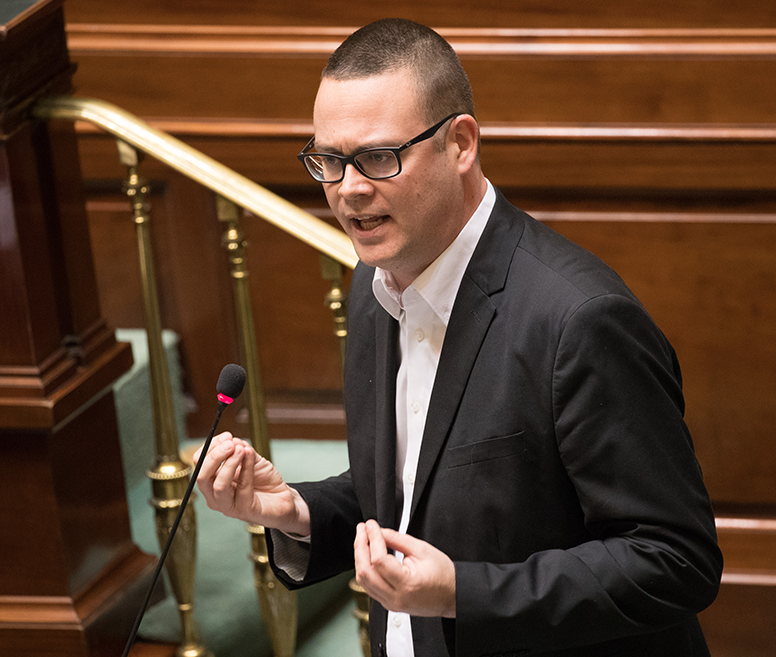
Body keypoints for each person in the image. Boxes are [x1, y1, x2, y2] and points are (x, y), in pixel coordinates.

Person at [195, 18, 723, 657]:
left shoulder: (580, 320)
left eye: (380, 157)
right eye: (329, 160)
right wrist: (295, 512)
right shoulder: (374, 288)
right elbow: (416, 489)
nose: (349, 190)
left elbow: (675, 559)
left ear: (461, 143)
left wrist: (460, 593)